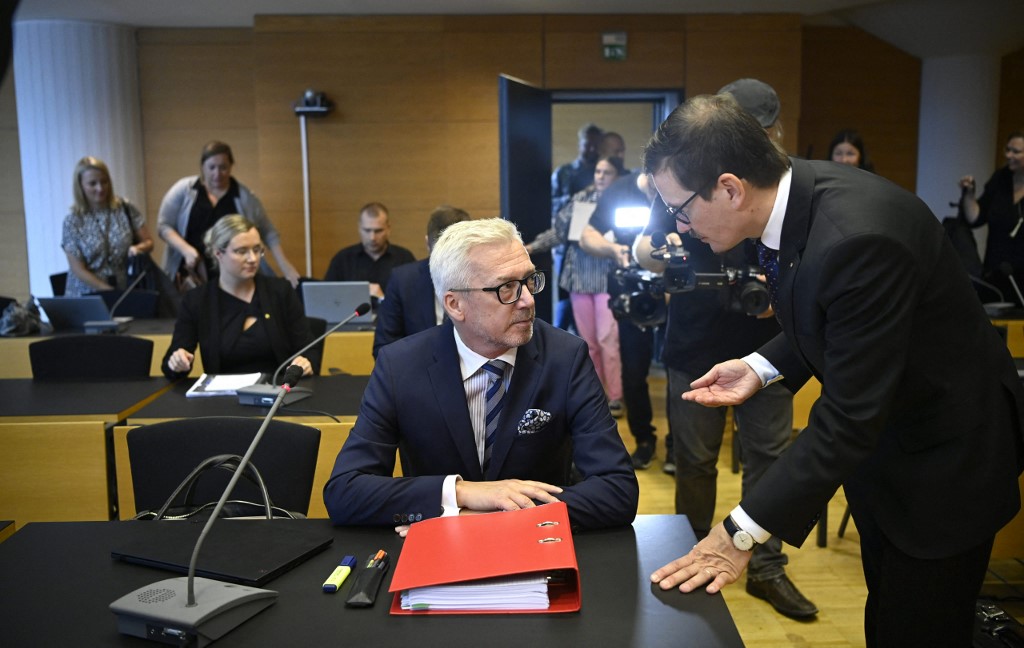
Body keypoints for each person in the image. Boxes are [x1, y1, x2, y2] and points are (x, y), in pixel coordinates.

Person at [645, 94, 1024, 647]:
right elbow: (835, 321)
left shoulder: (858, 239)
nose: (677, 223)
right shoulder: (796, 195)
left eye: (680, 208)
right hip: (890, 455)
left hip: (945, 465)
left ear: (729, 188)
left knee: (922, 627)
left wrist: (740, 533)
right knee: (890, 615)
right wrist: (761, 365)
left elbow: (848, 415)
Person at [323, 218, 639, 532]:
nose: (528, 300)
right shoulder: (401, 366)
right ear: (455, 305)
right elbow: (345, 492)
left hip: (537, 548)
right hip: (438, 556)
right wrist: (460, 493)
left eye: (529, 281)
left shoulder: (565, 356)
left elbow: (618, 490)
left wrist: (496, 517)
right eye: (507, 288)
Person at [633, 79, 816, 620]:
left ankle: (765, 566)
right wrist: (663, 255)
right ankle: (693, 553)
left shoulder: (787, 189)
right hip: (695, 341)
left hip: (772, 348)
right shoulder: (686, 178)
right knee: (694, 461)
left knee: (770, 460)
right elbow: (644, 248)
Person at [580, 171, 669, 473]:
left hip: (675, 293)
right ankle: (644, 440)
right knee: (633, 373)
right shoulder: (619, 191)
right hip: (632, 295)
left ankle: (676, 447)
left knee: (679, 373)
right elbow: (586, 233)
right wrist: (613, 249)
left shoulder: (683, 187)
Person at [527, 156, 626, 418]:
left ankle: (615, 395)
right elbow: (558, 231)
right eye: (598, 171)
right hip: (579, 279)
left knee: (608, 340)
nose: (601, 176)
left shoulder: (622, 200)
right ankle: (597, 394)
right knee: (589, 343)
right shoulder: (581, 199)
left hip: (608, 280)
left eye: (607, 172)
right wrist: (532, 247)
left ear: (617, 176)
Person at [162, 214, 316, 380]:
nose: (253, 259)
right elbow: (173, 362)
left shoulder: (280, 292)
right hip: (222, 399)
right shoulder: (197, 300)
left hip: (277, 392)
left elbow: (310, 351)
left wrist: (305, 362)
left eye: (257, 250)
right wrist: (178, 362)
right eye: (241, 251)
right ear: (218, 253)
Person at [157, 140, 301, 287]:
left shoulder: (244, 197)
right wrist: (186, 250)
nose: (217, 173)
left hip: (233, 277)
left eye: (223, 168)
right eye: (211, 167)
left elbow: (268, 233)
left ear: (231, 166)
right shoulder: (184, 190)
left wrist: (286, 267)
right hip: (190, 273)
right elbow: (163, 226)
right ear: (203, 167)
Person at [372, 205, 471, 358]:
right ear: (427, 243)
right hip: (418, 371)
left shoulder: (484, 279)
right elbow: (384, 347)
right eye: (440, 257)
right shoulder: (403, 281)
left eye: (455, 257)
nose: (447, 268)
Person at [61, 156, 154, 297]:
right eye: (93, 184)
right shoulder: (73, 221)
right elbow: (78, 269)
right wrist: (109, 292)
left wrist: (137, 248)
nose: (100, 188)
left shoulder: (125, 208)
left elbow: (149, 242)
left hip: (125, 290)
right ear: (80, 186)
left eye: (104, 182)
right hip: (87, 294)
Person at [959, 130, 1024, 305]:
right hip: (996, 273)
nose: (1009, 155)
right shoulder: (1001, 179)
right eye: (1007, 149)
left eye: (1016, 151)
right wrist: (969, 194)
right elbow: (975, 218)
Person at [324, 202, 415, 301]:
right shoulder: (343, 259)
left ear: (388, 229)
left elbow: (414, 300)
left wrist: (382, 299)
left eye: (378, 231)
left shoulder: (404, 258)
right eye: (367, 230)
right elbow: (327, 297)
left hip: (391, 316)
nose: (372, 237)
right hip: (352, 315)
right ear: (359, 228)